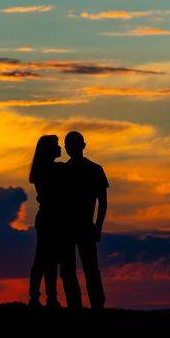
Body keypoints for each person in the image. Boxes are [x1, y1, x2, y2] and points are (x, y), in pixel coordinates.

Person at [27, 135, 78, 307]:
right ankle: (46, 297)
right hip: (53, 218)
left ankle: (41, 297)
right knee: (47, 259)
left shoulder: (41, 170)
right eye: (56, 145)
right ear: (48, 149)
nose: (60, 147)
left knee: (44, 259)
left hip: (47, 217)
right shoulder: (57, 169)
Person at [61, 131, 108, 309]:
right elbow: (103, 203)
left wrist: (98, 226)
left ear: (82, 146)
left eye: (71, 144)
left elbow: (103, 203)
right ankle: (80, 304)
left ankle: (95, 304)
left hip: (83, 226)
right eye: (68, 144)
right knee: (72, 269)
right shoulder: (65, 171)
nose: (69, 147)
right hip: (70, 227)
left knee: (88, 269)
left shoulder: (94, 169)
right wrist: (98, 227)